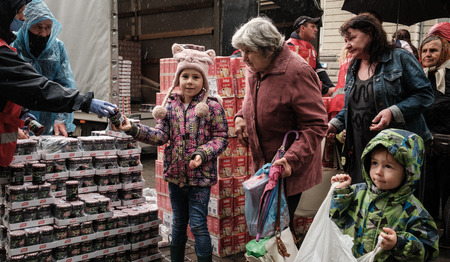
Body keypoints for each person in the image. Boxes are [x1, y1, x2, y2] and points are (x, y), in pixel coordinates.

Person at [112, 43, 228, 262]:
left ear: (204, 80)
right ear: (177, 79)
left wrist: (202, 154)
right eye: (185, 76)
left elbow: (221, 137)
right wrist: (133, 129)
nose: (190, 81)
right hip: (175, 178)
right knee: (178, 223)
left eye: (196, 77)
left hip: (200, 180)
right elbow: (160, 136)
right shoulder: (171, 106)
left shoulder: (212, 107)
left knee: (198, 225)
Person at [232, 16, 328, 235]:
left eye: (248, 52)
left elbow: (316, 124)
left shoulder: (298, 71)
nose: (243, 58)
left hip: (288, 168)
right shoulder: (255, 67)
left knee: (278, 230)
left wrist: (291, 160)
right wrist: (240, 117)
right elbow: (251, 99)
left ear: (268, 50)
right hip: (262, 164)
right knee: (266, 228)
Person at [0, 0, 115, 167]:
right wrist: (83, 101)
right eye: (19, 14)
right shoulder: (6, 51)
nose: (22, 19)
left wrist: (22, 113)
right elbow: (34, 88)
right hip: (20, 118)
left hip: (37, 113)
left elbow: (60, 81)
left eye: (48, 27)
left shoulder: (56, 47)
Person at [327, 14, 434, 184]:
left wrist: (394, 111)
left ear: (370, 33)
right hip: (361, 152)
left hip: (395, 154)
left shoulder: (401, 58)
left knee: (391, 207)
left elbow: (425, 95)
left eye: (352, 38)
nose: (347, 45)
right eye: (345, 40)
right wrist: (334, 124)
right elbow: (351, 107)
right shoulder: (353, 67)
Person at [330, 128, 439, 261]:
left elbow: (428, 252)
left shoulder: (415, 212)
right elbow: (334, 222)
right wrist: (340, 194)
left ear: (408, 171)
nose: (378, 172)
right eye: (374, 163)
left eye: (388, 166)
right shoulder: (356, 194)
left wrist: (399, 244)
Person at [12, 0, 77, 137]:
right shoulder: (13, 46)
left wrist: (61, 118)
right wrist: (15, 121)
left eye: (48, 27)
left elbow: (65, 83)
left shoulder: (57, 48)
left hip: (50, 121)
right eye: (38, 27)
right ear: (26, 25)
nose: (43, 33)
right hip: (20, 121)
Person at [419, 32, 450, 249]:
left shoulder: (448, 75)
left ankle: (448, 238)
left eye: (433, 50)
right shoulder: (418, 76)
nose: (428, 54)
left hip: (447, 145)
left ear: (443, 53)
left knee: (447, 195)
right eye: (425, 51)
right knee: (425, 193)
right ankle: (427, 237)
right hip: (424, 145)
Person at [286, 15, 335, 96]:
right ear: (303, 28)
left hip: (307, 93)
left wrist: (331, 87)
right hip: (295, 96)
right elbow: (300, 76)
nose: (316, 30)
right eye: (312, 27)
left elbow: (319, 70)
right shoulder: (290, 46)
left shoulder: (310, 48)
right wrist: (326, 90)